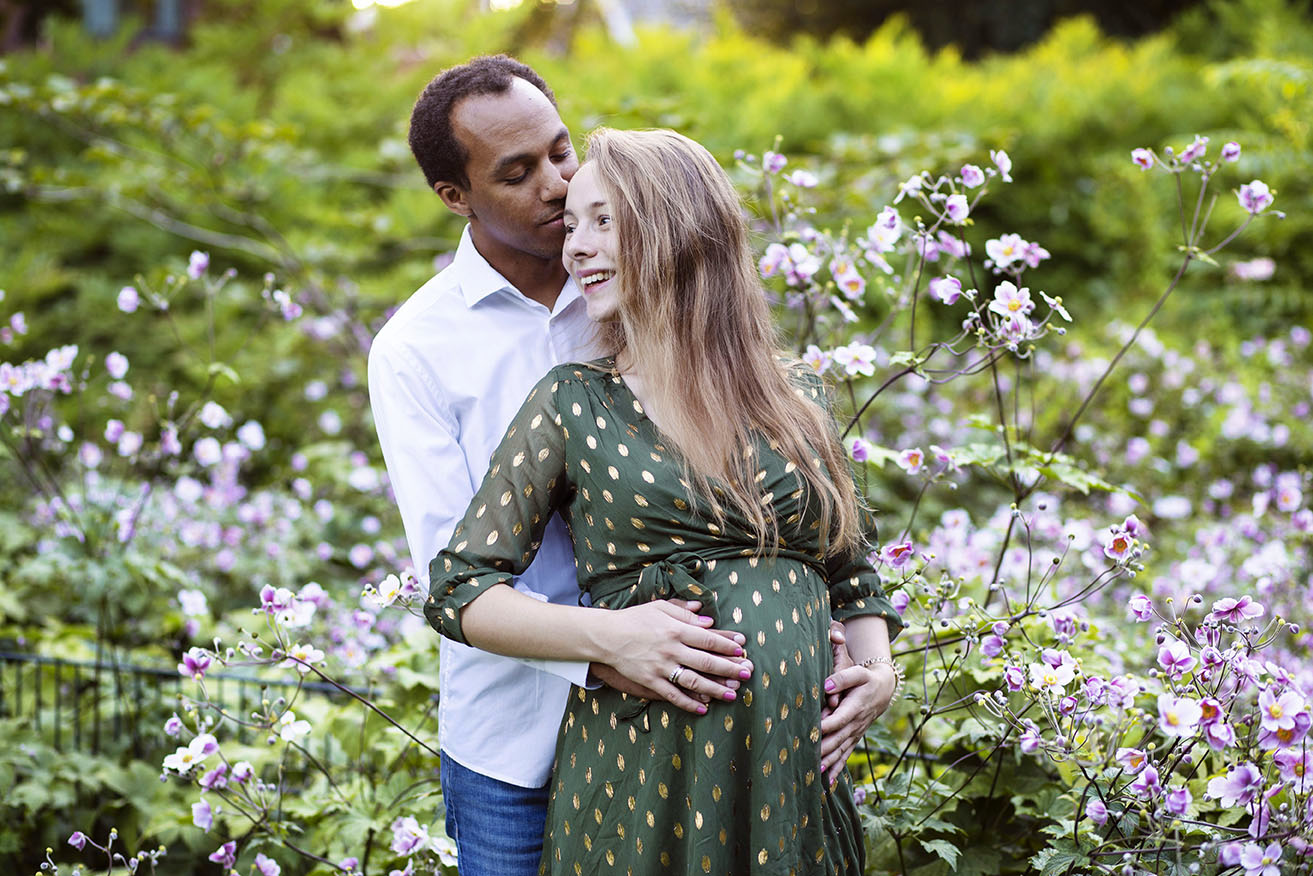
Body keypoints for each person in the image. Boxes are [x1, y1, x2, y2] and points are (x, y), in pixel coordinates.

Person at [425, 127, 904, 875]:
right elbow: (458, 591)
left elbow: (850, 571)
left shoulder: (800, 399)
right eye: (572, 224)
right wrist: (606, 640)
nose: (574, 246)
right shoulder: (573, 404)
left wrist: (876, 676)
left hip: (794, 783)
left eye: (603, 221)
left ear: (680, 227)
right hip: (644, 771)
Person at [368, 57, 752, 876]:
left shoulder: (644, 289)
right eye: (516, 173)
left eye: (559, 151)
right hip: (516, 743)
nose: (555, 184)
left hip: (684, 723)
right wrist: (611, 642)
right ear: (454, 195)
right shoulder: (416, 351)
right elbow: (452, 576)